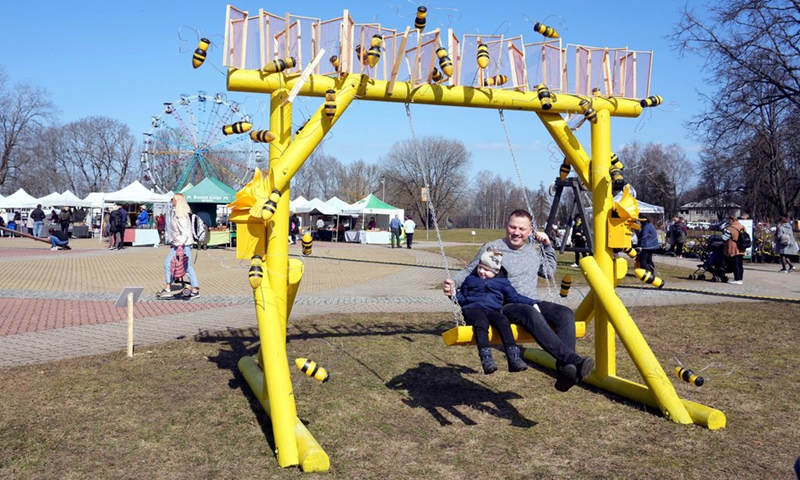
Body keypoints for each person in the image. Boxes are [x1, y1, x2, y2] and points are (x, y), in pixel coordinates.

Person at [443, 210, 594, 392]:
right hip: (505, 305)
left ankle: (565, 371)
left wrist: (547, 246)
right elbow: (470, 270)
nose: (516, 232)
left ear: (530, 231)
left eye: (521, 229)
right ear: (507, 226)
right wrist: (453, 283)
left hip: (530, 300)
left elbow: (548, 272)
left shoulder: (533, 251)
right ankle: (574, 360)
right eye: (512, 227)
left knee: (565, 313)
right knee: (529, 312)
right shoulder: (492, 248)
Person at [455, 247, 533, 374]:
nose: (481, 271)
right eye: (480, 267)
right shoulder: (471, 279)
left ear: (496, 271)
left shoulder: (502, 282)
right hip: (472, 309)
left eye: (486, 269)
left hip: (492, 310)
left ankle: (514, 358)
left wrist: (533, 302)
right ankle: (487, 360)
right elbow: (462, 299)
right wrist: (453, 294)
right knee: (481, 322)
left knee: (503, 321)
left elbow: (515, 296)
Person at [158, 193, 200, 299]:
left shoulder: (181, 215)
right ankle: (168, 286)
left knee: (187, 267)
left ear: (178, 201)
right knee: (168, 263)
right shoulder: (175, 213)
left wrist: (180, 243)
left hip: (184, 245)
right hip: (177, 244)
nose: (172, 201)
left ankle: (195, 288)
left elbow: (185, 233)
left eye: (174, 199)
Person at [721, 215, 746, 285]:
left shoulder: (731, 228)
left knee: (735, 264)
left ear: (731, 220)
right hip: (741, 248)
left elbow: (724, 238)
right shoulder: (742, 227)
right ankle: (740, 278)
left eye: (729, 220)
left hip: (734, 248)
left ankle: (737, 279)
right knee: (740, 264)